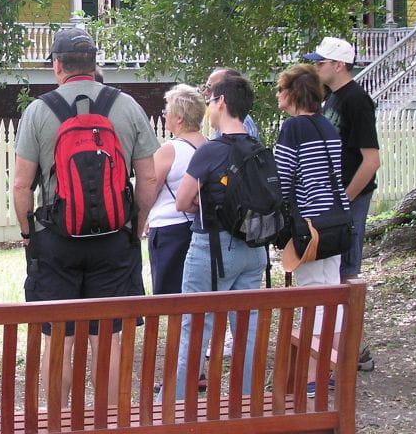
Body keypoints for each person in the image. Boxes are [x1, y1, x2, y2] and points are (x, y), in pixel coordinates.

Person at [12, 27, 160, 407]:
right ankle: (108, 422)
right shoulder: (127, 107)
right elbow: (148, 178)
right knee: (108, 339)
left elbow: (21, 185)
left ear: (57, 65)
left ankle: (57, 421)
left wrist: (29, 235)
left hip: (56, 239)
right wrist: (136, 227)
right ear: (95, 63)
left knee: (57, 339)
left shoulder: (38, 111)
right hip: (113, 238)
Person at [167, 75, 266, 401]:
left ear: (222, 103)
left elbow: (182, 201)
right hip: (253, 249)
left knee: (195, 325)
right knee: (246, 327)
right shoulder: (258, 148)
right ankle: (247, 401)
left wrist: (206, 203)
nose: (208, 106)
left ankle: (180, 402)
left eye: (210, 101)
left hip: (212, 248)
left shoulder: (210, 151)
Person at [274, 64, 350, 396]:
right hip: (336, 220)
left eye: (281, 89)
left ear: (292, 93)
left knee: (312, 296)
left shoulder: (293, 128)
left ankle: (312, 375)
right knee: (331, 292)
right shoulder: (326, 125)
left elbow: (282, 179)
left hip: (309, 225)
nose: (278, 94)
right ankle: (333, 370)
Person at [304, 36, 380, 371]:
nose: (316, 67)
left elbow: (371, 160)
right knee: (336, 271)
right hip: (335, 201)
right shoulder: (332, 97)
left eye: (320, 62)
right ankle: (350, 348)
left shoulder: (357, 100)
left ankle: (353, 351)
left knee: (347, 272)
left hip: (351, 201)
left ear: (339, 65)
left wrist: (345, 201)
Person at [147, 84, 207, 294]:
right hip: (200, 226)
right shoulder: (209, 146)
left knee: (168, 296)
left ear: (179, 118)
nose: (164, 115)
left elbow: (150, 190)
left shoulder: (169, 150)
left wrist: (142, 218)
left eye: (167, 111)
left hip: (169, 229)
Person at [201, 68, 260, 139]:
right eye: (204, 87)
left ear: (230, 88)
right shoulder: (224, 121)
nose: (205, 92)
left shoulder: (240, 124)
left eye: (209, 87)